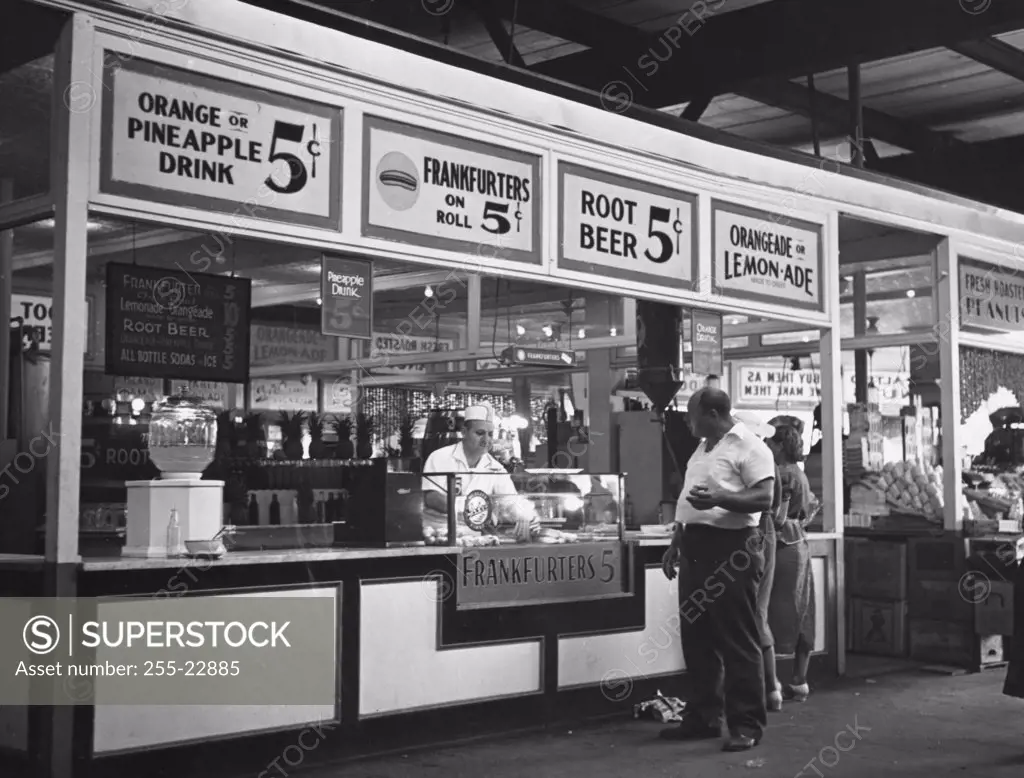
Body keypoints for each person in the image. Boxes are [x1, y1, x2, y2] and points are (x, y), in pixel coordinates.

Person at [660, 388, 775, 752]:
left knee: (737, 639)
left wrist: (721, 499)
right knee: (697, 639)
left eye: (692, 415)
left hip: (732, 549)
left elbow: (764, 498)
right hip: (695, 547)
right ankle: (703, 717)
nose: (688, 422)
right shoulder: (704, 447)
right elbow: (691, 501)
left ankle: (747, 726)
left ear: (711, 413)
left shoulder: (750, 445)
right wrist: (677, 542)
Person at [422, 405, 539, 536]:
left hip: (475, 535)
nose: (486, 440)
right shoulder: (440, 457)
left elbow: (509, 501)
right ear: (464, 432)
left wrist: (527, 514)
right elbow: (432, 498)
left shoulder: (495, 468)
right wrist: (475, 512)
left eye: (490, 434)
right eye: (480, 433)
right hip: (438, 532)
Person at [734, 413, 784, 713]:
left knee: (753, 615)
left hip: (755, 536)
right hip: (763, 535)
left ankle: (768, 688)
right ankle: (771, 689)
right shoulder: (764, 462)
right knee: (756, 613)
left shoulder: (756, 461)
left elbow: (767, 505)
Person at [766, 424, 816, 702]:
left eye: (770, 443)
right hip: (800, 545)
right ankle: (799, 680)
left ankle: (771, 683)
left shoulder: (781, 474)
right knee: (804, 609)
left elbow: (776, 517)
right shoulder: (799, 473)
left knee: (770, 612)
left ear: (780, 445)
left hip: (782, 545)